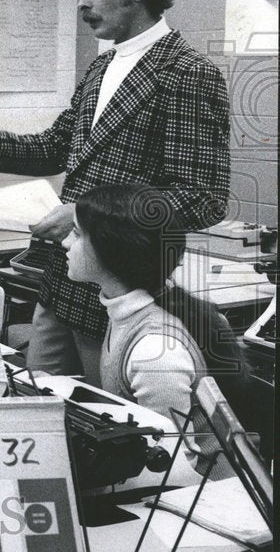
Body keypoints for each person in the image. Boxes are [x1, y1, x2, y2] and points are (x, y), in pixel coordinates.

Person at [0, 0, 230, 380]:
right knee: (39, 409)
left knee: (103, 426)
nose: (82, 3)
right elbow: (57, 146)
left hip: (119, 292)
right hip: (62, 283)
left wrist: (84, 213)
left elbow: (204, 198)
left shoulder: (187, 72)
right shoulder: (102, 66)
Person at [64, 184, 248, 470]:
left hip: (201, 494)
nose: (64, 243)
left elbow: (172, 467)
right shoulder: (126, 313)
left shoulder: (155, 352)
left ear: (111, 250)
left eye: (75, 234)